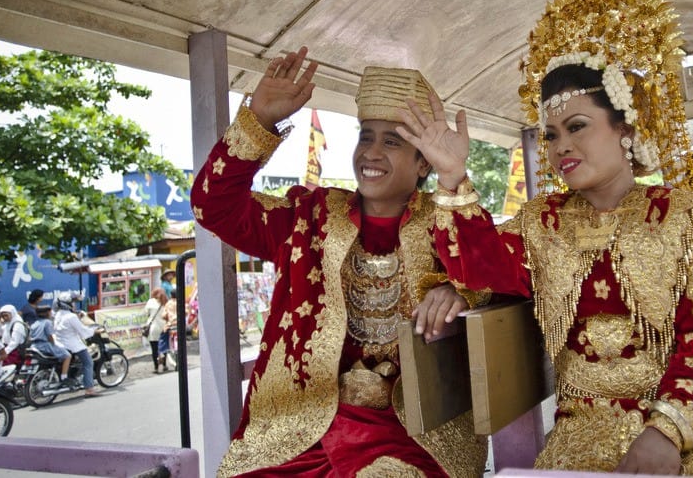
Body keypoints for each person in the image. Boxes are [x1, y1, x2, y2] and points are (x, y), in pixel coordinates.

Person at [403, 0, 693, 476]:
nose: (561, 146)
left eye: (577, 126)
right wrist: (452, 177)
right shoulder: (542, 223)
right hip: (583, 428)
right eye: (551, 134)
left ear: (624, 127)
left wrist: (666, 432)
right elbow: (482, 265)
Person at [190, 48, 489, 477]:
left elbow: (497, 279)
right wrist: (259, 121)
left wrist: (457, 290)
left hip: (415, 433)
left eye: (391, 142)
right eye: (366, 137)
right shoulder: (310, 215)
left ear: (424, 160)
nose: (371, 152)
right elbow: (213, 206)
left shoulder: (448, 222)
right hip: (299, 428)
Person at [52, 293, 99, 397]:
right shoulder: (71, 316)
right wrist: (94, 330)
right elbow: (83, 331)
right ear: (68, 304)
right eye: (72, 302)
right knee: (88, 362)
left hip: (60, 343)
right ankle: (89, 389)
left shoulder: (58, 314)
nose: (74, 304)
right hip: (72, 344)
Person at [28, 305, 72, 385]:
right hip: (45, 346)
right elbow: (50, 337)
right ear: (47, 313)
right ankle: (64, 377)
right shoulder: (47, 322)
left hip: (34, 346)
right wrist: (54, 344)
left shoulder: (34, 323)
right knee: (67, 356)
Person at [143, 288, 168, 373]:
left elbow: (146, 313)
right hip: (163, 327)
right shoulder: (165, 302)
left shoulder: (151, 302)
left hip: (153, 328)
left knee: (154, 349)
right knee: (163, 347)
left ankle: (156, 367)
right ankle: (164, 365)